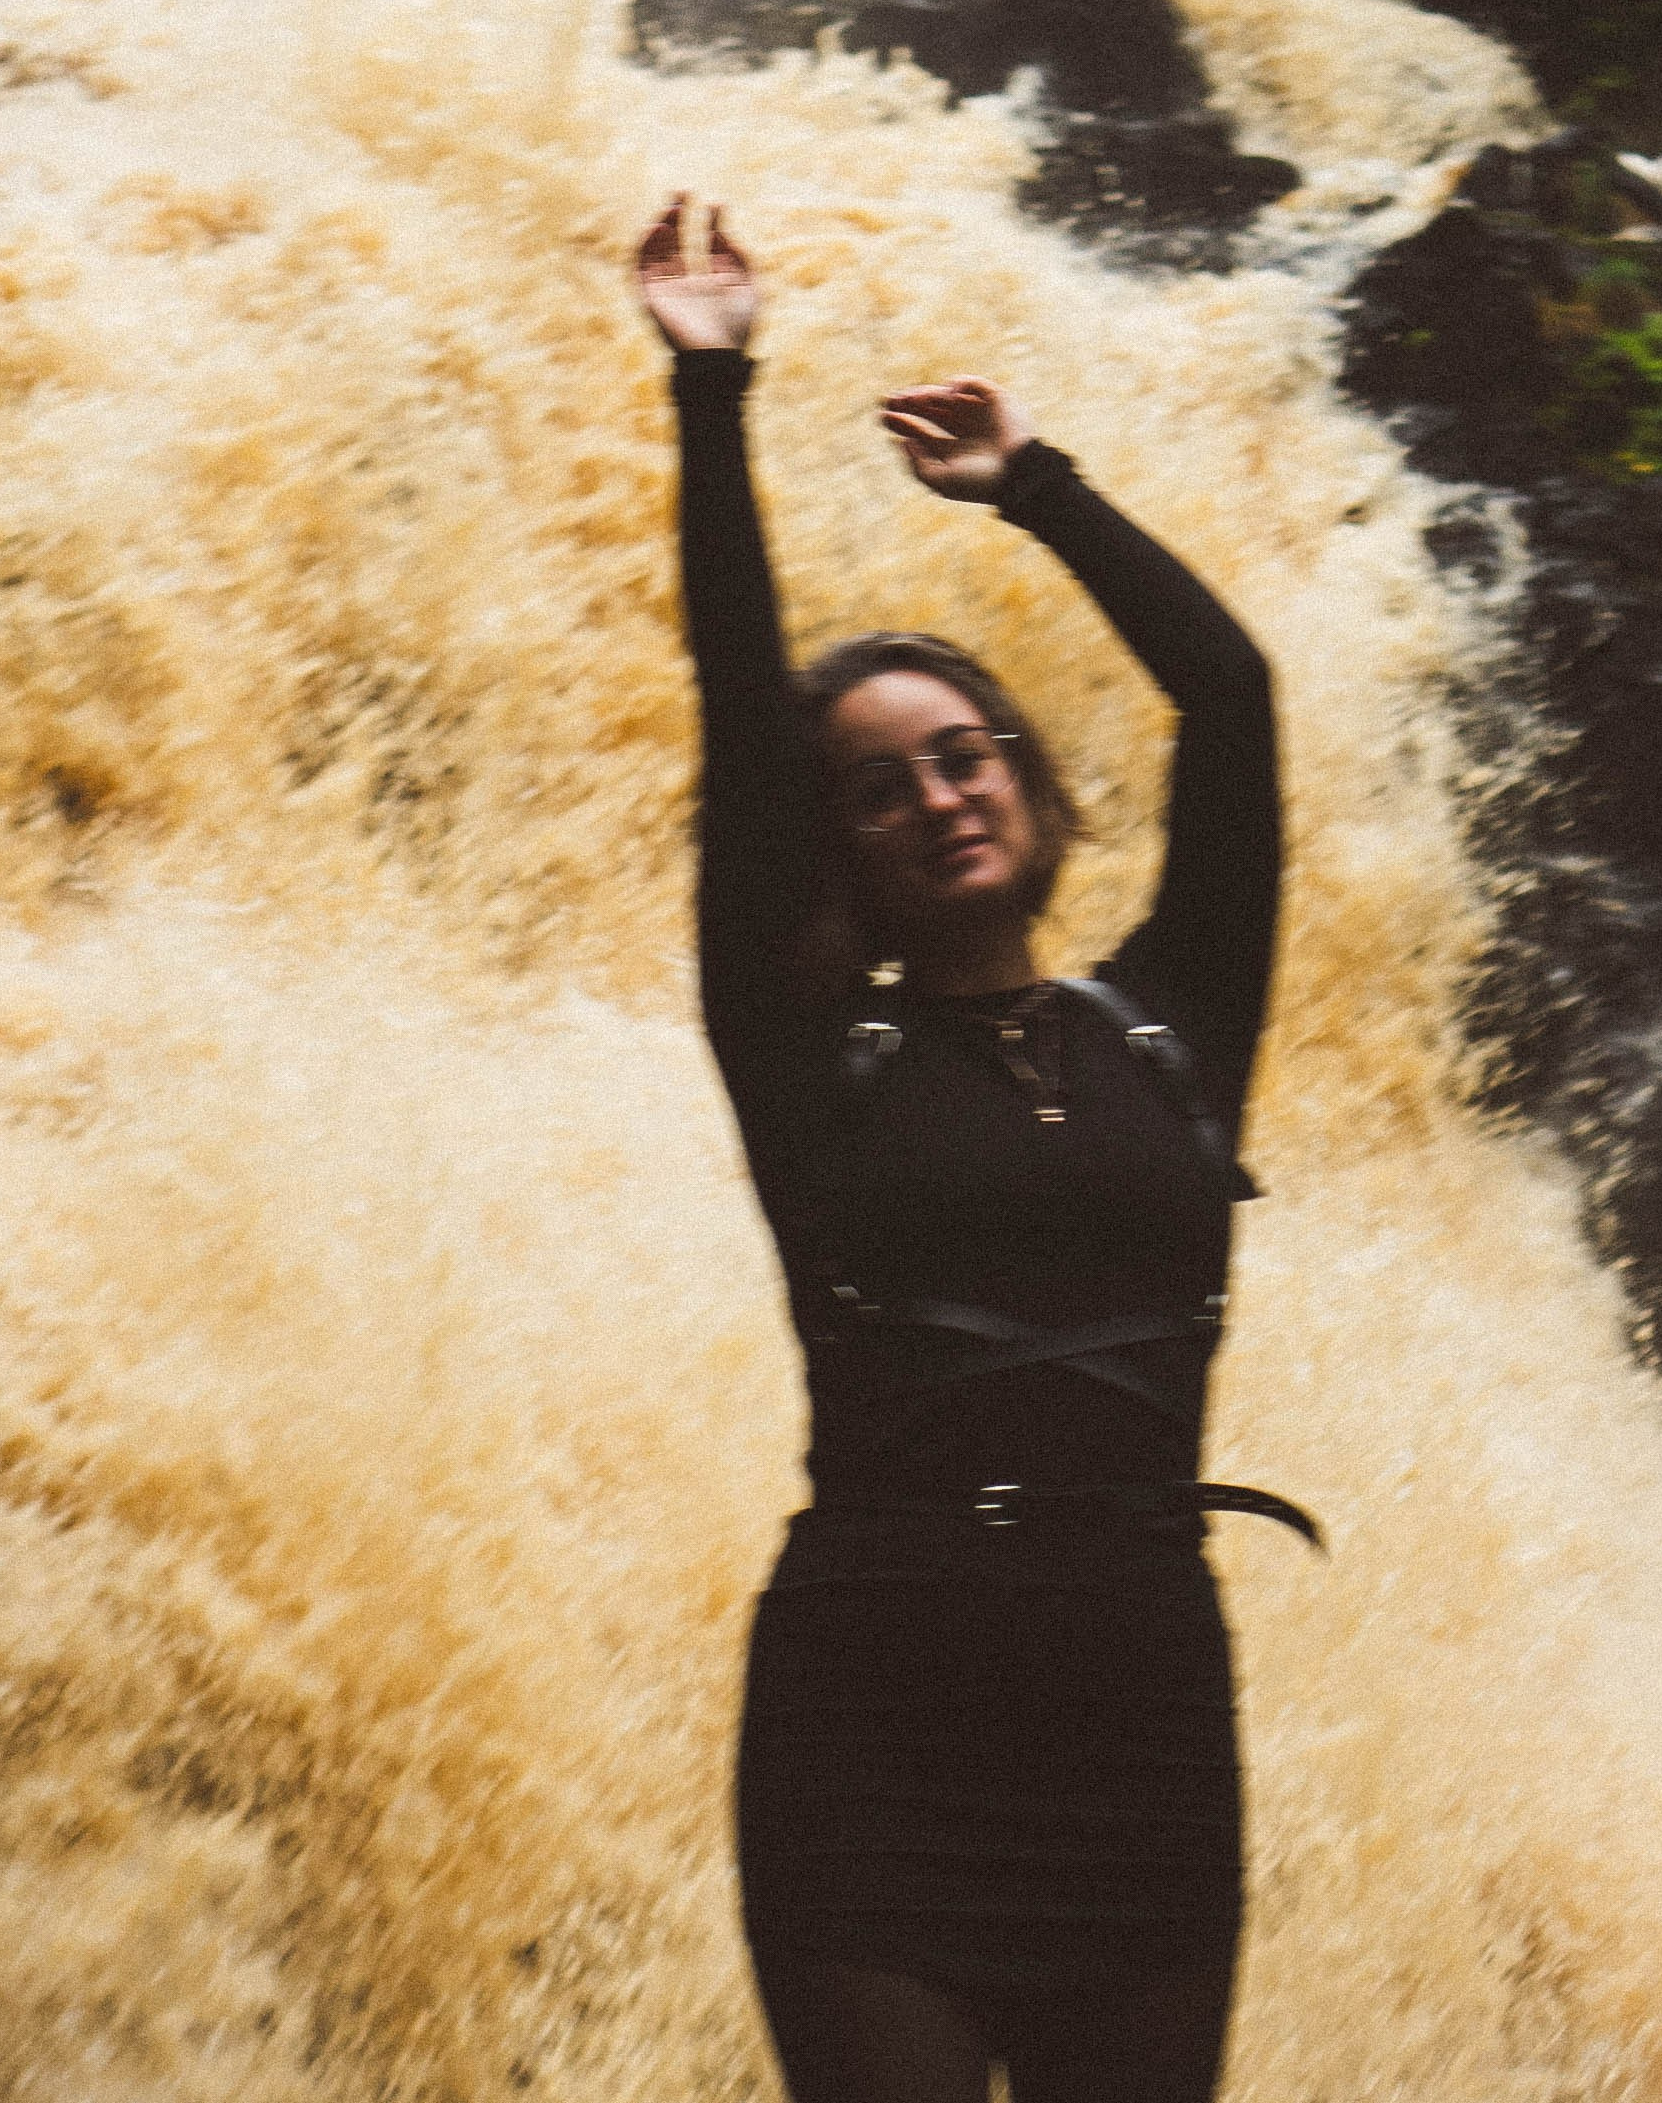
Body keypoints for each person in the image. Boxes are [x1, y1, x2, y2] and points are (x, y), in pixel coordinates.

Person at [635, 196, 1304, 2103]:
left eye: (961, 752)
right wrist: (711, 388)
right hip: (882, 1707)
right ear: (832, 849)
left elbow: (1234, 705)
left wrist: (1039, 490)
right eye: (877, 787)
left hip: (1142, 1703)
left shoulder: (1173, 1024)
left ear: (1021, 772)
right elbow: (732, 719)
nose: (933, 794)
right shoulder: (806, 1057)